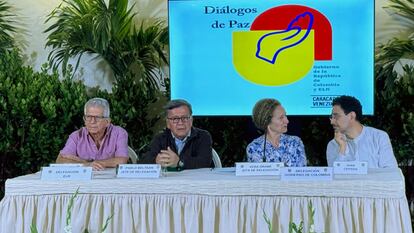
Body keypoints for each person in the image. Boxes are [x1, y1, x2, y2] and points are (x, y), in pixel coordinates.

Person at [56, 98, 129, 170]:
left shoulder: (119, 133)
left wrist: (85, 161)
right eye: (88, 117)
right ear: (84, 120)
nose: (92, 121)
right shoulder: (76, 136)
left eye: (97, 117)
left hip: (111, 180)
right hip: (84, 181)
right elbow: (60, 161)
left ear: (107, 122)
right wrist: (86, 164)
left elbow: (122, 161)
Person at [326, 95, 398, 168]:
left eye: (336, 116)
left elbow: (390, 172)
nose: (332, 122)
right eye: (331, 117)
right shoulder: (333, 144)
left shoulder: (378, 137)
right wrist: (342, 148)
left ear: (351, 116)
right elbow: (334, 177)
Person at [141, 99, 212, 170]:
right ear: (168, 123)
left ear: (191, 120)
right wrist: (156, 160)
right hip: (168, 180)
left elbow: (205, 162)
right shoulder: (160, 138)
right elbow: (142, 162)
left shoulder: (203, 136)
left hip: (194, 180)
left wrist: (179, 162)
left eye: (184, 118)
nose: (180, 123)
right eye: (175, 119)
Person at [246, 98, 306, 166]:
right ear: (267, 121)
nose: (287, 121)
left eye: (285, 116)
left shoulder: (295, 142)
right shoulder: (254, 148)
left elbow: (301, 173)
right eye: (281, 118)